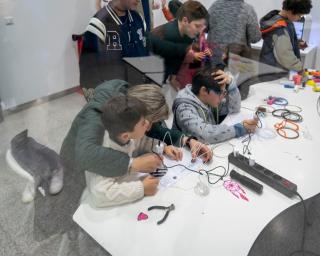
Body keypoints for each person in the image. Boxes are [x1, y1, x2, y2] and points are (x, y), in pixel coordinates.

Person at [85, 95, 180, 207]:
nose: (148, 124)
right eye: (143, 123)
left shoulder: (127, 135)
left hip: (125, 178)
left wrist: (163, 147)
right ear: (125, 136)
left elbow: (143, 141)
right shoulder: (103, 153)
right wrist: (142, 188)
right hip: (106, 200)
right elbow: (100, 194)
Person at [79, 0, 149, 100]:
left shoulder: (138, 18)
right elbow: (88, 74)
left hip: (138, 93)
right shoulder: (99, 23)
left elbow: (146, 53)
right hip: (113, 100)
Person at [172, 67, 258, 144]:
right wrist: (239, 129)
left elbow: (234, 108)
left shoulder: (208, 99)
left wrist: (231, 84)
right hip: (184, 154)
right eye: (220, 92)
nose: (223, 96)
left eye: (225, 91)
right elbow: (204, 135)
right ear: (204, 91)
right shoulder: (184, 108)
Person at [148, 1, 210, 89]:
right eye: (197, 26)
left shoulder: (189, 35)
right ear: (185, 21)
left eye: (202, 27)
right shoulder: (160, 36)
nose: (200, 32)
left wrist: (173, 77)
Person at [260, 0, 312, 71]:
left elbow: (283, 43)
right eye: (299, 15)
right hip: (273, 72)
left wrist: (296, 44)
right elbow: (285, 55)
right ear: (290, 11)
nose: (300, 18)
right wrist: (300, 69)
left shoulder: (284, 21)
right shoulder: (280, 28)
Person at [207, 0, 261, 65]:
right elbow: (255, 38)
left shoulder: (214, 6)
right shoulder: (248, 9)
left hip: (213, 58)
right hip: (237, 61)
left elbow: (204, 28)